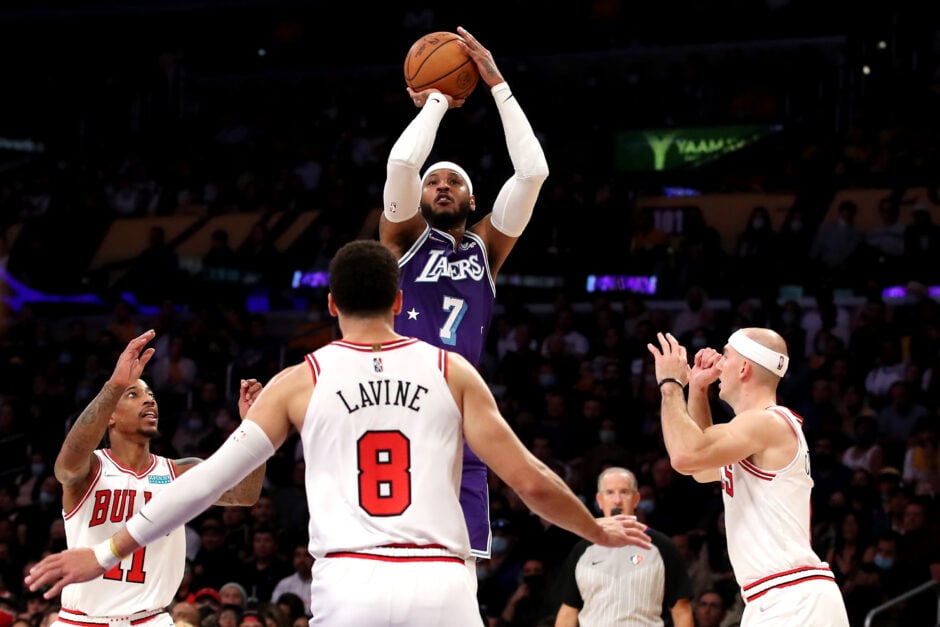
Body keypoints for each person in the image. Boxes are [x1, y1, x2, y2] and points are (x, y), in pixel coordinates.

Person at [26, 240, 649, 627]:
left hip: (350, 585)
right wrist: (595, 529)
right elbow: (530, 482)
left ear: (330, 305)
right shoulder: (449, 370)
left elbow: (210, 480)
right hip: (441, 582)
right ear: (401, 300)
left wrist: (103, 551)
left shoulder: (299, 381)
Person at [380, 25, 549, 564]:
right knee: (392, 558)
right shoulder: (402, 239)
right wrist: (436, 102)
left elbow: (533, 171)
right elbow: (403, 165)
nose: (442, 186)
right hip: (399, 397)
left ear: (473, 198)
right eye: (435, 183)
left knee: (461, 563)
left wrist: (497, 83)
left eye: (453, 181)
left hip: (462, 406)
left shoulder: (487, 250)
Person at [44, 329, 267, 627]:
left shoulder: (179, 472)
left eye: (150, 394)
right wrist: (114, 386)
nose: (149, 400)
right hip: (82, 621)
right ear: (110, 415)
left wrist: (255, 425)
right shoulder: (93, 468)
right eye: (134, 394)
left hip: (150, 620)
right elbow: (65, 468)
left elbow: (245, 494)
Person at [646, 328, 850, 626]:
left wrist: (670, 383)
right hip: (777, 596)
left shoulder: (767, 422)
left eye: (725, 355)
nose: (718, 362)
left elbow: (684, 455)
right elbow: (700, 469)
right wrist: (698, 390)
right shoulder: (754, 429)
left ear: (744, 368)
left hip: (790, 596)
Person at [554, 467, 694, 627]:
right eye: (610, 492)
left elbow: (681, 609)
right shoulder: (581, 550)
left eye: (624, 492)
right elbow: (568, 612)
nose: (617, 500)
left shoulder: (663, 547)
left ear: (636, 499)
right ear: (600, 500)